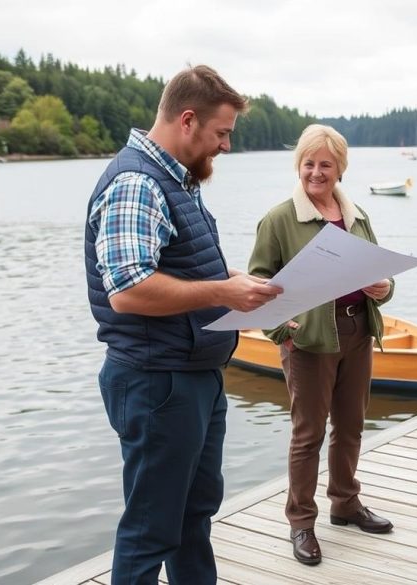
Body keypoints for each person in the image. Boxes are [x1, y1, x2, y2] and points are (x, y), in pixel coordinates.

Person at [84, 65, 282, 584]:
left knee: (194, 516)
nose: (225, 146)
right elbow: (127, 292)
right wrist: (222, 292)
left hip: (192, 376)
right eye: (222, 133)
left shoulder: (176, 179)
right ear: (188, 120)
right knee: (152, 527)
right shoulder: (136, 183)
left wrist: (233, 279)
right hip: (157, 381)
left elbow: (173, 265)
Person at [248, 124, 395, 566]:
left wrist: (383, 287)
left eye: (325, 164)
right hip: (308, 339)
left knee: (351, 425)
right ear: (299, 166)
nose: (316, 172)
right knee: (307, 434)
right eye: (308, 163)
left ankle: (345, 503)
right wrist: (281, 331)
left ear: (340, 169)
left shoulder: (358, 216)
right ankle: (300, 522)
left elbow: (379, 277)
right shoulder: (278, 219)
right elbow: (256, 285)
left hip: (356, 333)